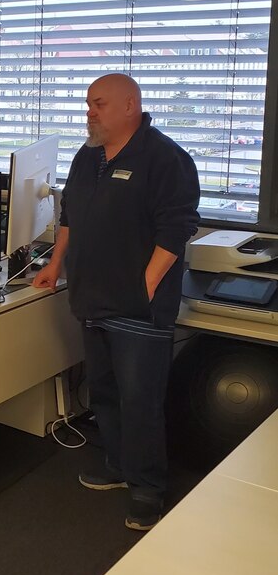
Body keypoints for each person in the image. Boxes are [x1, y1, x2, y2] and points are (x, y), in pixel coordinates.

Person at [33, 73, 200, 531]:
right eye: (88, 104)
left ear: (130, 105)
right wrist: (56, 263)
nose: (90, 112)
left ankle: (147, 487)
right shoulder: (88, 158)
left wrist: (144, 286)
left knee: (140, 400)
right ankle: (118, 464)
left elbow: (176, 230)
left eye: (99, 103)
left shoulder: (165, 158)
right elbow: (70, 215)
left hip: (138, 307)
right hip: (92, 298)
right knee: (103, 392)